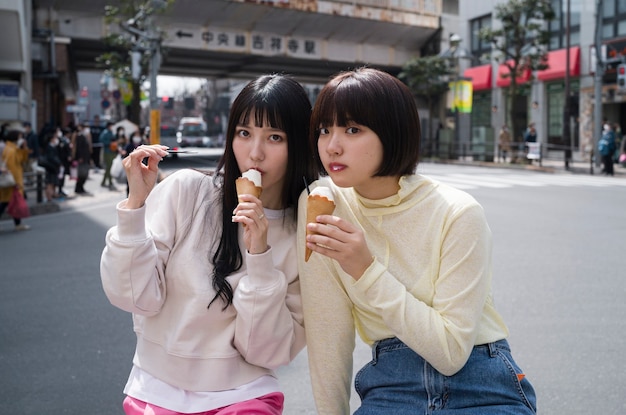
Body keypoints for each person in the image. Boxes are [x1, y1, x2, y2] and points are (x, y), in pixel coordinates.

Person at [298, 68, 537, 414]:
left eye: (352, 130)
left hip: (480, 382)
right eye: (324, 130)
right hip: (390, 385)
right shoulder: (322, 204)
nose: (332, 146)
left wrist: (365, 270)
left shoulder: (457, 212)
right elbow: (327, 333)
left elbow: (451, 353)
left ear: (392, 132)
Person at [100, 74, 318, 415]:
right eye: (244, 133)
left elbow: (265, 351)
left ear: (299, 146)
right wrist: (134, 209)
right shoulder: (187, 191)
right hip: (156, 390)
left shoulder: (302, 231)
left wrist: (260, 255)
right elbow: (134, 297)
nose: (255, 153)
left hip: (247, 395)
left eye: (275, 137)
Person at [0, 129, 31, 231]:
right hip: (12, 181)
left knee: (8, 202)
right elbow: (13, 167)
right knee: (7, 203)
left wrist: (24, 149)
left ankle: (18, 224)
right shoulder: (11, 150)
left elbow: (22, 159)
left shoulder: (10, 148)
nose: (21, 139)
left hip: (10, 181)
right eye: (20, 137)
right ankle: (18, 224)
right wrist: (16, 182)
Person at [40, 131, 62, 202]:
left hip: (52, 167)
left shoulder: (52, 147)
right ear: (52, 139)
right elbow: (52, 158)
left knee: (52, 183)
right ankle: (49, 197)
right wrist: (58, 162)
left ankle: (51, 196)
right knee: (49, 183)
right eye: (55, 137)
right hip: (50, 167)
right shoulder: (49, 147)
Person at [72, 124, 92, 195]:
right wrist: (80, 157)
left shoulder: (85, 137)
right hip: (81, 158)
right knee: (81, 174)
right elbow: (79, 148)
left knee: (85, 174)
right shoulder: (80, 136)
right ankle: (78, 188)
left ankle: (81, 187)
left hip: (86, 157)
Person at [99, 121, 117, 190]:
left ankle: (105, 182)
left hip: (112, 151)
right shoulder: (105, 132)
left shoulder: (111, 132)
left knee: (109, 167)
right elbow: (101, 140)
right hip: (107, 151)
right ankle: (109, 181)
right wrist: (109, 143)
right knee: (109, 167)